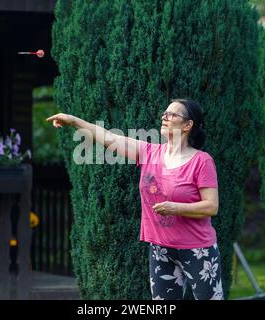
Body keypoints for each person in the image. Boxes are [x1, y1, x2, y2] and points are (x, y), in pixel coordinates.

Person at [46, 99, 223, 300]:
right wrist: (73, 121)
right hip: (160, 249)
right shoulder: (149, 153)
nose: (164, 117)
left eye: (172, 114)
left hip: (198, 250)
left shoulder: (201, 161)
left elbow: (211, 206)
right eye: (164, 113)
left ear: (188, 125)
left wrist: (175, 208)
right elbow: (109, 138)